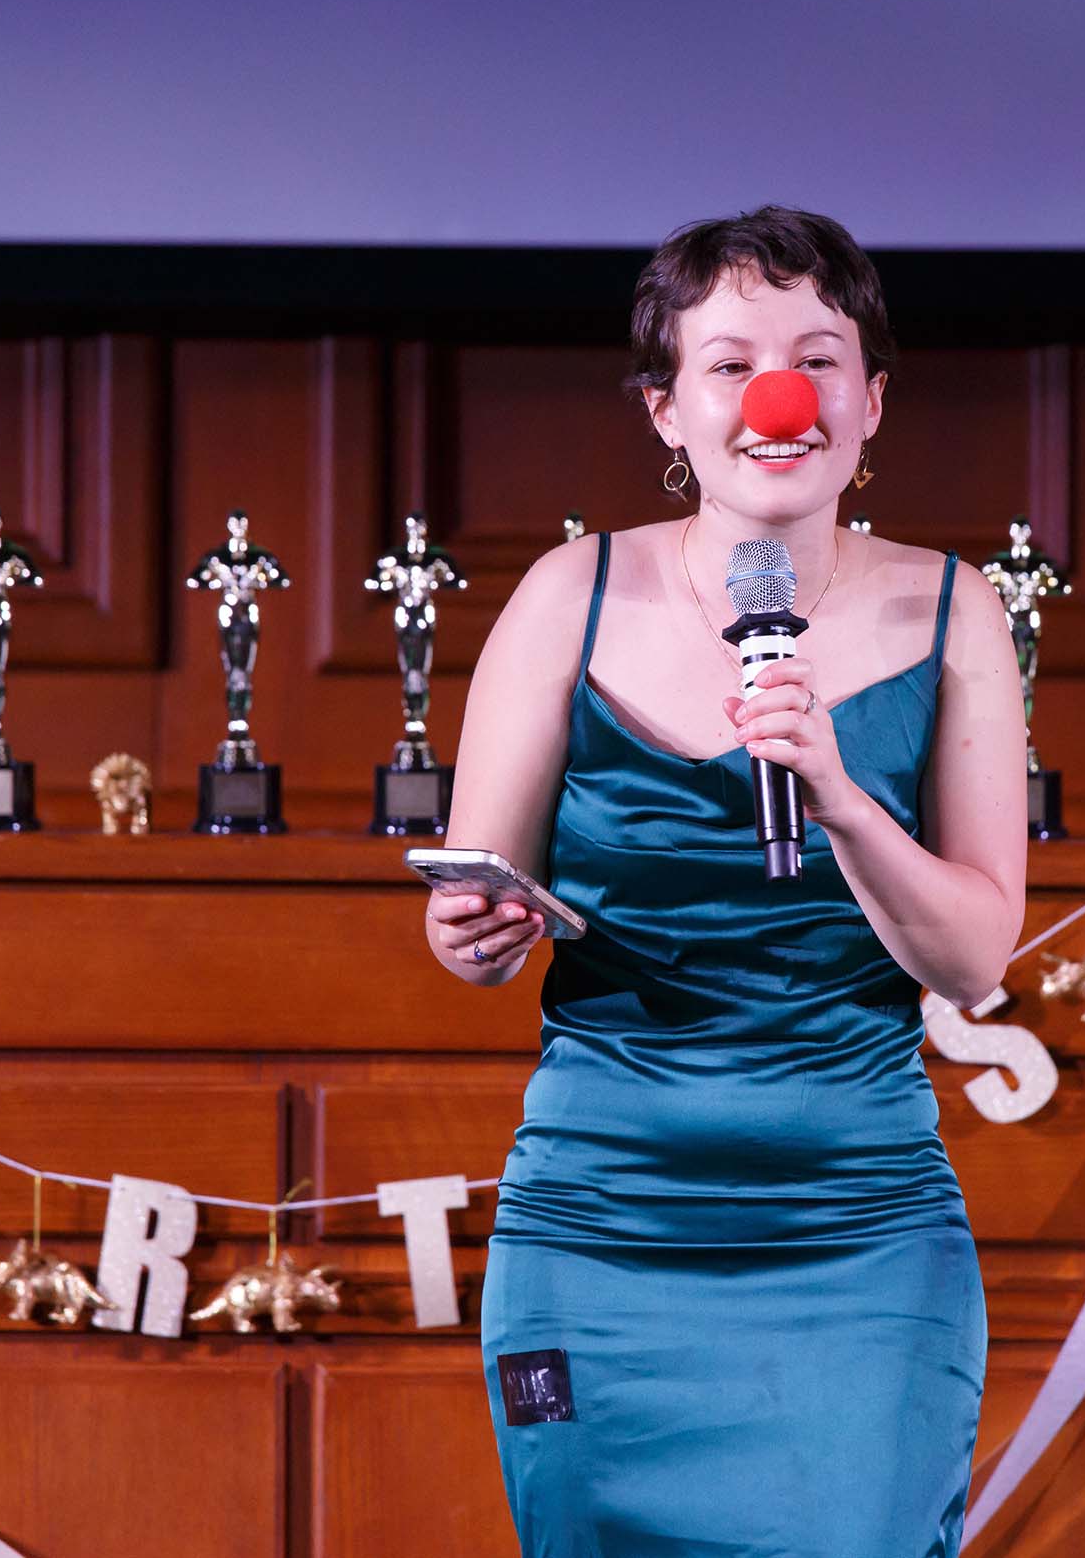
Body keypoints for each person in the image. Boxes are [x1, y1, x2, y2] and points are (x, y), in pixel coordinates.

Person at [424, 205, 1027, 1556]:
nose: (781, 397)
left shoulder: (953, 608)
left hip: (858, 1231)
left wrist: (834, 791)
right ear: (665, 411)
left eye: (819, 361)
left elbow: (973, 961)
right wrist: (474, 931)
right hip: (597, 1220)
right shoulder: (564, 597)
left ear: (869, 405)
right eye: (734, 361)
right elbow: (476, 900)